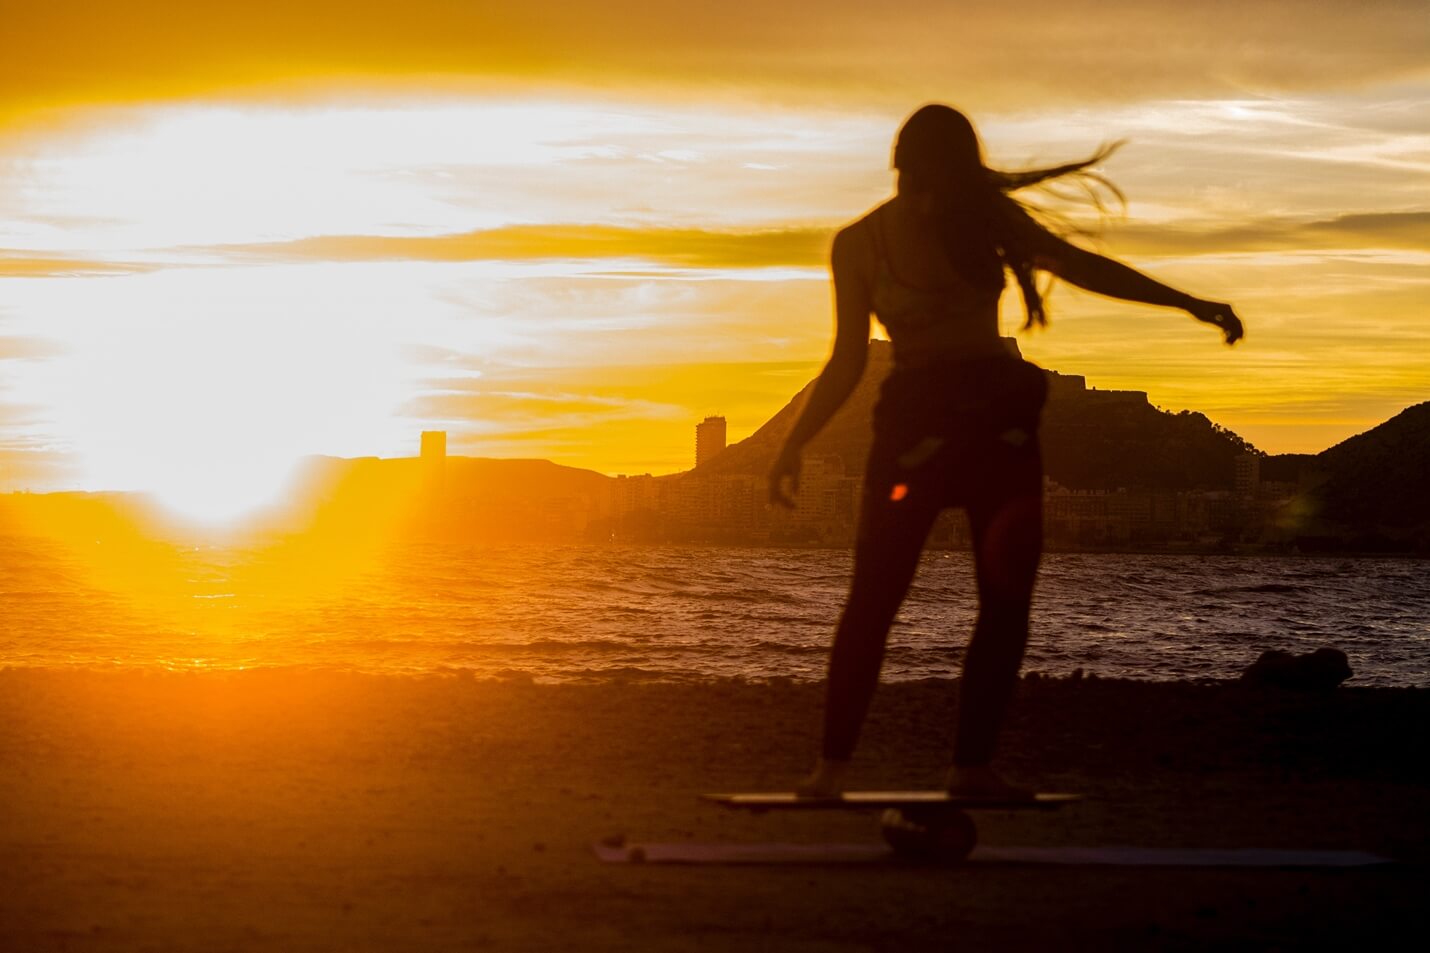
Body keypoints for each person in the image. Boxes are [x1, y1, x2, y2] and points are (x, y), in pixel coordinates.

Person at [769, 104, 1243, 799]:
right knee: (874, 596)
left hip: (999, 418)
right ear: (897, 166)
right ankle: (830, 769)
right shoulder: (858, 244)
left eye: (932, 174)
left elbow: (1083, 266)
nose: (918, 188)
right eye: (910, 173)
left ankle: (971, 767)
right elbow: (845, 358)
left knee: (1005, 597)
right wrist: (794, 443)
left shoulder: (987, 223)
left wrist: (1191, 303)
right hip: (916, 422)